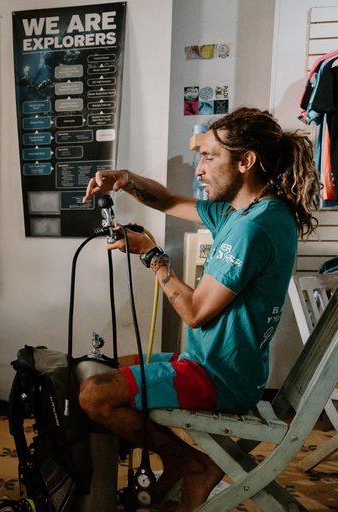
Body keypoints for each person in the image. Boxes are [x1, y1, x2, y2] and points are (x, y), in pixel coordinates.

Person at [78, 107, 321, 511]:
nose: (199, 168)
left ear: (246, 161)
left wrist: (153, 256)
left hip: (216, 377)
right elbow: (170, 200)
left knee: (94, 396)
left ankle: (191, 464)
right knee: (101, 368)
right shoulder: (251, 210)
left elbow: (193, 313)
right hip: (218, 364)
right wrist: (125, 180)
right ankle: (178, 466)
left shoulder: (251, 228)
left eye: (209, 157)